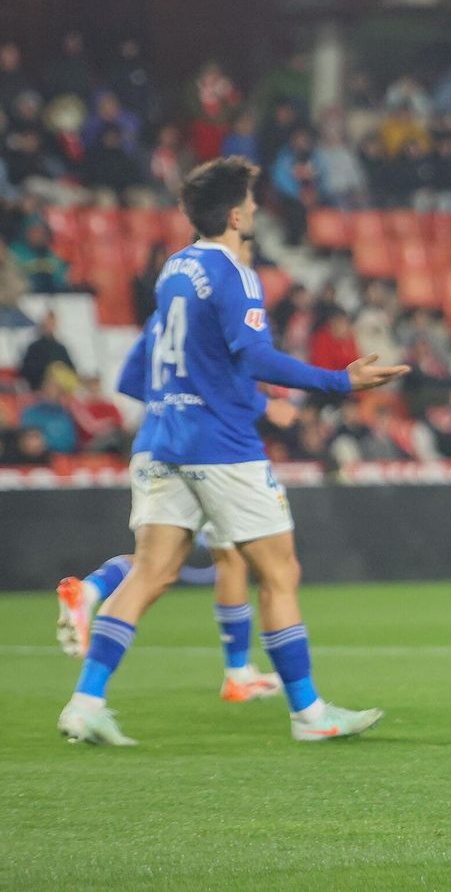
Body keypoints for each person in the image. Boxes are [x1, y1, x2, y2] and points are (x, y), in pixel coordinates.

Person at [56, 158, 408, 747]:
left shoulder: (174, 269)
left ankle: (86, 701)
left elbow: (138, 369)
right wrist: (339, 382)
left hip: (164, 439)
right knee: (279, 572)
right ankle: (308, 713)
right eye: (251, 202)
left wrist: (182, 401)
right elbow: (254, 356)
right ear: (238, 213)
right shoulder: (235, 271)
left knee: (149, 573)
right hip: (221, 445)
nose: (256, 211)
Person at [55, 307, 296, 704]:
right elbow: (219, 385)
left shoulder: (164, 317)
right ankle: (239, 674)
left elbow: (130, 380)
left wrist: (169, 402)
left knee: (158, 562)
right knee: (222, 558)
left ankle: (93, 593)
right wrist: (266, 406)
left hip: (155, 444)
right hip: (210, 451)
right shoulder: (215, 317)